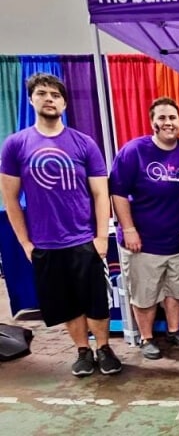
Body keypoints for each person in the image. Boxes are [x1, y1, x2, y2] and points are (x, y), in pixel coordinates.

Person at [0, 73, 122, 377]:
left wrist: (101, 237)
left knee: (96, 302)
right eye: (42, 93)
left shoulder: (84, 143)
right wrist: (27, 243)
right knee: (67, 304)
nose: (49, 99)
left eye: (55, 95)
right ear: (32, 99)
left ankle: (104, 349)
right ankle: (83, 351)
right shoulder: (15, 145)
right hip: (45, 245)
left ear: (64, 102)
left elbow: (99, 192)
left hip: (84, 240)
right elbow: (12, 200)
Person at [109, 97, 179, 360]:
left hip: (178, 241)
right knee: (144, 294)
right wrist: (129, 229)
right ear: (153, 122)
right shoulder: (133, 151)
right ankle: (146, 338)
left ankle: (174, 330)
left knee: (176, 290)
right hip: (143, 241)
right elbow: (118, 193)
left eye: (173, 118)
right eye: (162, 118)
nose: (168, 123)